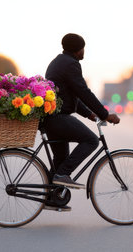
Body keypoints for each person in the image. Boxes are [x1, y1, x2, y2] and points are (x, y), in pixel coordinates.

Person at [43, 33, 120, 190]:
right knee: (92, 140)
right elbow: (83, 92)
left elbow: (69, 96)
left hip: (51, 118)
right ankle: (61, 175)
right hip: (58, 118)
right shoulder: (71, 64)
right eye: (83, 48)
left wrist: (90, 114)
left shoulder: (58, 61)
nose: (84, 52)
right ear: (78, 50)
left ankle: (52, 197)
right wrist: (105, 114)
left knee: (60, 160)